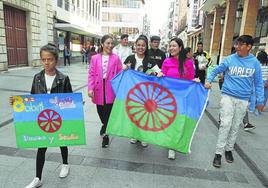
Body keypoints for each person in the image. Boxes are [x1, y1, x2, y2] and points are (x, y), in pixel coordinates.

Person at [9, 43, 73, 188]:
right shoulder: (37, 77)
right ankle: (37, 178)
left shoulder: (63, 78)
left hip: (58, 117)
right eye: (43, 59)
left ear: (56, 60)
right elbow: (32, 98)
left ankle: (65, 164)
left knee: (61, 141)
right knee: (41, 147)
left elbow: (69, 98)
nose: (46, 62)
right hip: (43, 118)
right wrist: (17, 102)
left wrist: (75, 104)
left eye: (49, 59)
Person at [204, 35, 264, 168]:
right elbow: (215, 69)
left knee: (235, 125)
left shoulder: (254, 63)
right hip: (228, 97)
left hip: (243, 100)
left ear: (249, 47)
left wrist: (260, 100)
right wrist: (208, 80)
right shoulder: (230, 59)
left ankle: (229, 149)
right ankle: (218, 153)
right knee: (225, 124)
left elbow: (259, 83)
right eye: (237, 44)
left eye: (241, 45)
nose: (237, 47)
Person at [123, 36, 162, 147]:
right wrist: (124, 67)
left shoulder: (150, 60)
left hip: (145, 93)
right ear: (135, 45)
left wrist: (159, 73)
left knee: (144, 114)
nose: (140, 47)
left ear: (146, 47)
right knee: (134, 114)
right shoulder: (130, 58)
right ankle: (135, 135)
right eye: (138, 45)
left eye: (143, 45)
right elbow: (123, 68)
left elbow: (158, 71)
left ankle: (143, 136)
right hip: (132, 92)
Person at [161, 38, 196, 160]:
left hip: (182, 97)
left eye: (174, 46)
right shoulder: (166, 61)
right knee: (169, 120)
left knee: (177, 121)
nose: (171, 48)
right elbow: (162, 77)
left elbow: (191, 79)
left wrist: (196, 82)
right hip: (168, 97)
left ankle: (172, 146)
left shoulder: (188, 62)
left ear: (180, 48)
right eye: (170, 46)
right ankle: (170, 142)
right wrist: (159, 75)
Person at [88, 35, 122, 148]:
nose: (110, 45)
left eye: (112, 43)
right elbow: (91, 74)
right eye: (108, 43)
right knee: (100, 111)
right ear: (102, 44)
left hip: (110, 88)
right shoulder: (95, 58)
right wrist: (90, 88)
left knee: (108, 112)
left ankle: (106, 136)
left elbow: (119, 73)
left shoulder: (116, 58)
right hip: (98, 88)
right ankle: (104, 124)